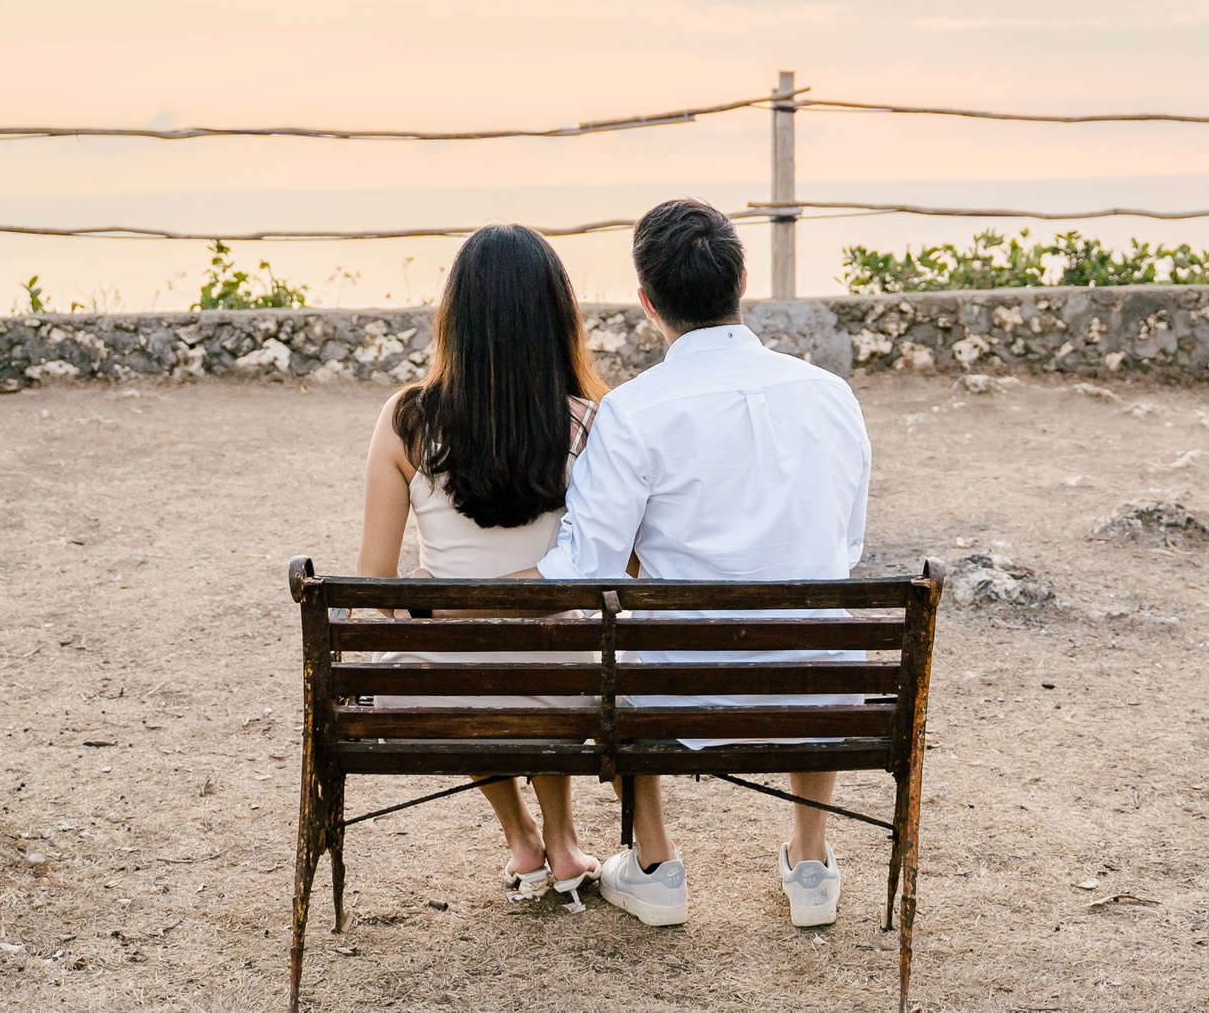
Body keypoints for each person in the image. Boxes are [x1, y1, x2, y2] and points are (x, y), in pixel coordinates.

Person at [524, 198, 873, 931]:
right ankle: (809, 863)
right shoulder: (831, 395)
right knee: (817, 614)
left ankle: (655, 864)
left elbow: (584, 570)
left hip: (680, 694)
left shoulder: (632, 411)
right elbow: (843, 550)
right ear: (742, 278)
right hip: (820, 687)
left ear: (648, 302)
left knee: (625, 641)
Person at [355, 224, 603, 905]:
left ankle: (522, 836)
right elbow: (613, 570)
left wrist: (442, 605)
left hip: (439, 688)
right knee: (550, 653)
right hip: (568, 686)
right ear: (554, 315)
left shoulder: (406, 419)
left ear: (455, 316)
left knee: (445, 660)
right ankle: (562, 841)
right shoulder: (589, 422)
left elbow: (374, 579)